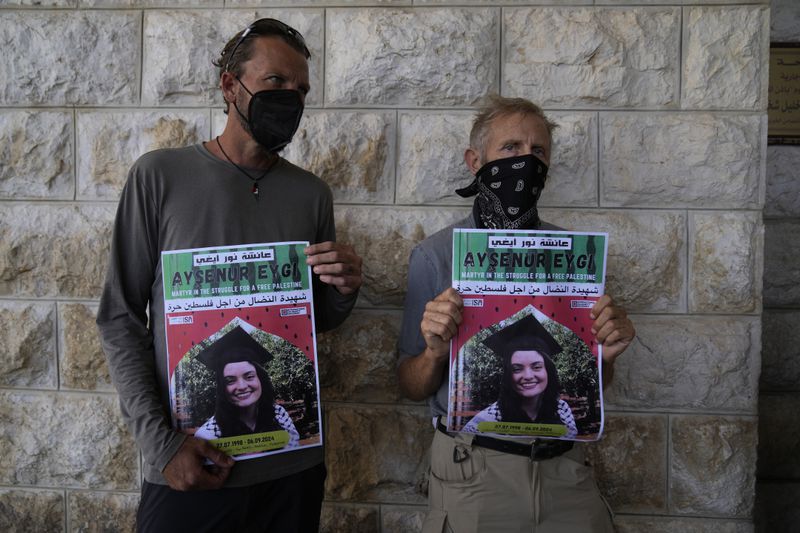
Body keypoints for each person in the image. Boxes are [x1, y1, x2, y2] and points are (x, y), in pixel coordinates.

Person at [96, 18, 362, 533]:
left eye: (302, 89)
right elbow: (119, 317)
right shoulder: (159, 177)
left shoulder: (312, 194)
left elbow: (314, 322)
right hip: (190, 465)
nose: (291, 98)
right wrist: (163, 445)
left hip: (292, 469)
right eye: (276, 83)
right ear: (229, 86)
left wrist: (345, 289)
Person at [397, 94, 636, 532]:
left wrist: (606, 355)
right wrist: (433, 353)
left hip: (566, 471)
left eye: (537, 151)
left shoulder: (573, 255)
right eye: (510, 148)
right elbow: (408, 384)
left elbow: (592, 383)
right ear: (475, 160)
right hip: (474, 471)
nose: (526, 161)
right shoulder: (435, 255)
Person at [461, 314, 578, 439]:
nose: (528, 376)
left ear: (548, 371)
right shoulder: (486, 421)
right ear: (508, 376)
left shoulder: (561, 409)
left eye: (536, 367)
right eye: (517, 369)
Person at [193, 326, 300, 448]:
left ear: (261, 379)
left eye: (249, 377)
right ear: (222, 388)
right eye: (230, 380)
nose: (242, 386)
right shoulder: (208, 436)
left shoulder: (279, 414)